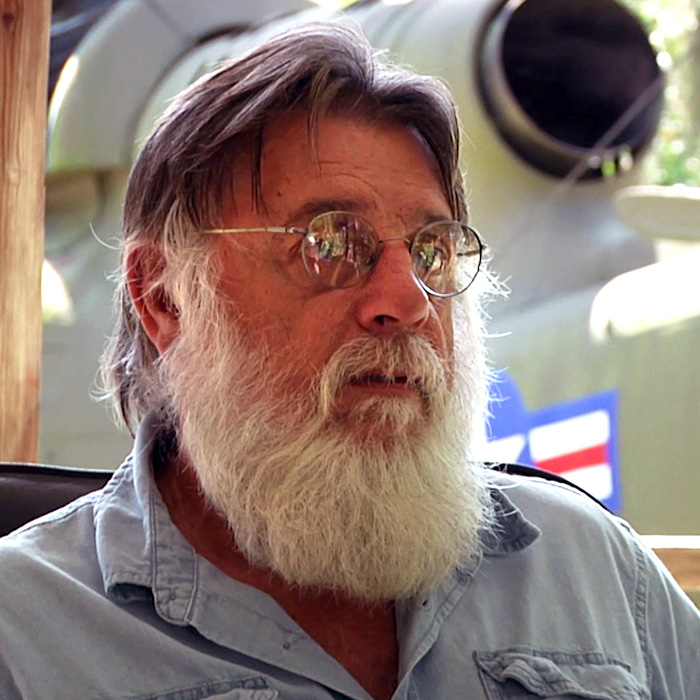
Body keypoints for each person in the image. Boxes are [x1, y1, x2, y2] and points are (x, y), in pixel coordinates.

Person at [0, 21, 698, 700]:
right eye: (329, 244)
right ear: (164, 300)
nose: (407, 301)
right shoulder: (23, 631)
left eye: (431, 251)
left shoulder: (594, 569)